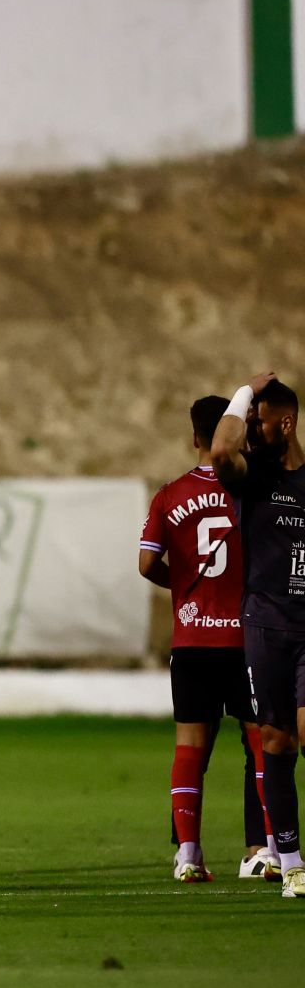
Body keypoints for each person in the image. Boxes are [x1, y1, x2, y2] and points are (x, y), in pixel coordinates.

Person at [138, 397, 275, 883]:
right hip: (247, 636)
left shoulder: (170, 495)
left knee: (190, 746)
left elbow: (146, 564)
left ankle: (189, 855)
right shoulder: (255, 491)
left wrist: (185, 589)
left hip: (192, 638)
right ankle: (266, 850)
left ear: (194, 437)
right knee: (261, 741)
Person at [210, 374, 305, 899]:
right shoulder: (252, 476)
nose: (249, 431)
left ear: (285, 424)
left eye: (258, 422)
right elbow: (222, 449)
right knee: (276, 741)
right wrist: (244, 393)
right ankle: (291, 861)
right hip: (266, 627)